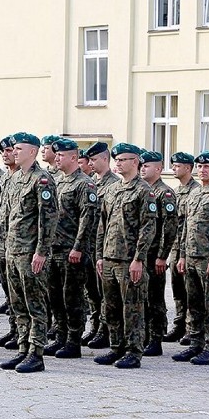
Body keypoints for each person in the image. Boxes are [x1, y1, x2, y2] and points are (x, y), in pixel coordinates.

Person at [0, 132, 58, 374]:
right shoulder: (13, 179)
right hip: (12, 251)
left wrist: (41, 252)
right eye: (13, 148)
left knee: (35, 304)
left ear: (33, 152)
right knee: (18, 304)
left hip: (30, 252)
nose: (14, 152)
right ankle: (23, 348)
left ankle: (37, 353)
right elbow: (6, 217)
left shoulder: (41, 180)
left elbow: (49, 218)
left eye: (19, 149)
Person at [94, 143, 156, 369]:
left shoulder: (143, 191)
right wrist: (100, 255)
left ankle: (133, 351)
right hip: (110, 257)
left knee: (132, 307)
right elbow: (103, 224)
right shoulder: (112, 189)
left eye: (123, 160)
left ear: (135, 162)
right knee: (110, 307)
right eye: (116, 159)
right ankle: (116, 346)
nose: (118, 163)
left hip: (129, 260)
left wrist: (139, 259)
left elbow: (148, 228)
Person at [44, 138, 97, 359]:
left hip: (71, 250)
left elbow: (88, 219)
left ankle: (74, 340)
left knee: (72, 297)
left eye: (61, 155)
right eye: (55, 154)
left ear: (74, 158)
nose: (56, 158)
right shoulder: (58, 181)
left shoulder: (84, 184)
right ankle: (61, 336)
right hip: (54, 248)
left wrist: (78, 247)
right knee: (55, 297)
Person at [172, 151, 209, 365]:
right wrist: (182, 255)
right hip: (191, 257)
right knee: (193, 303)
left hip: (208, 259)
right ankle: (195, 343)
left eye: (207, 167)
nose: (202, 170)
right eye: (200, 167)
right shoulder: (194, 194)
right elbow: (185, 228)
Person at [138, 151, 178, 357]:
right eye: (142, 165)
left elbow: (170, 228)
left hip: (155, 255)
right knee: (142, 297)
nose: (143, 168)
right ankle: (143, 335)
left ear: (159, 169)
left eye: (148, 166)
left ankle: (156, 338)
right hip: (142, 255)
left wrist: (163, 255)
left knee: (154, 297)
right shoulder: (143, 190)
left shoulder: (164, 193)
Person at [82, 142, 119, 348]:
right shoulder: (91, 183)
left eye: (94, 160)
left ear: (105, 159)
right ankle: (95, 326)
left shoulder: (114, 185)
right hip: (90, 245)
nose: (91, 163)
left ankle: (105, 330)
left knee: (105, 294)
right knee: (92, 292)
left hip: (107, 247)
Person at [164, 152, 199, 343]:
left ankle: (190, 328)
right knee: (177, 289)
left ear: (188, 168)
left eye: (178, 166)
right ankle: (179, 325)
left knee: (189, 290)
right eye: (173, 165)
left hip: (188, 247)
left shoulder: (196, 191)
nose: (174, 168)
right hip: (175, 246)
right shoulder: (176, 191)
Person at [0, 136, 18, 349]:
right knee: (9, 292)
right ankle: (13, 330)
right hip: (3, 243)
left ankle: (22, 334)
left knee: (20, 294)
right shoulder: (5, 179)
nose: (7, 155)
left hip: (21, 246)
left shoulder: (30, 178)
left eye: (10, 150)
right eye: (4, 152)